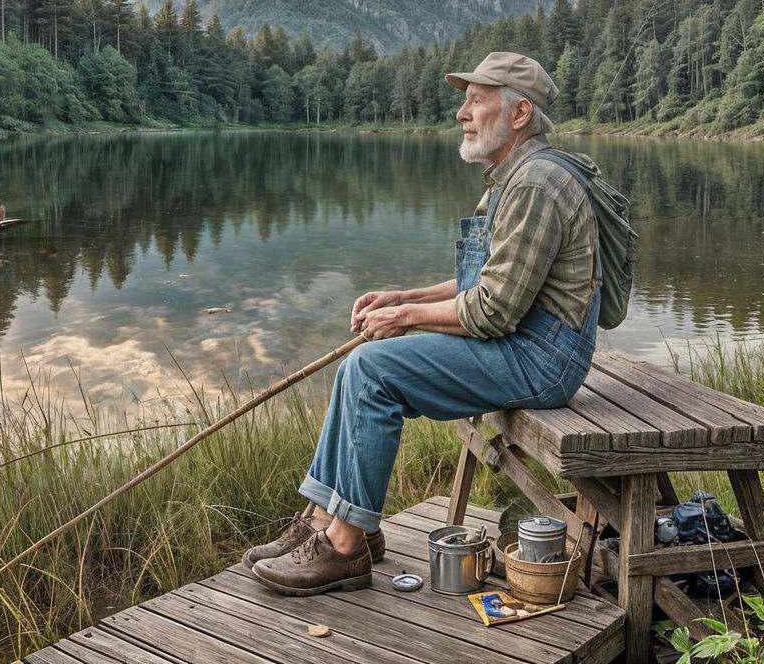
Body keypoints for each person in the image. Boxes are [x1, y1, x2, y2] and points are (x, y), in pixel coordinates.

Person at [245, 51, 600, 596]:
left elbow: (493, 310)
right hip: (524, 342)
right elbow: (487, 281)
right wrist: (403, 296)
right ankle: (325, 520)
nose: (462, 113)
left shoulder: (537, 185)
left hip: (541, 360)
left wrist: (406, 317)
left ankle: (346, 549)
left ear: (520, 112)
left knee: (372, 371)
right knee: (358, 369)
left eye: (476, 101)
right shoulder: (515, 177)